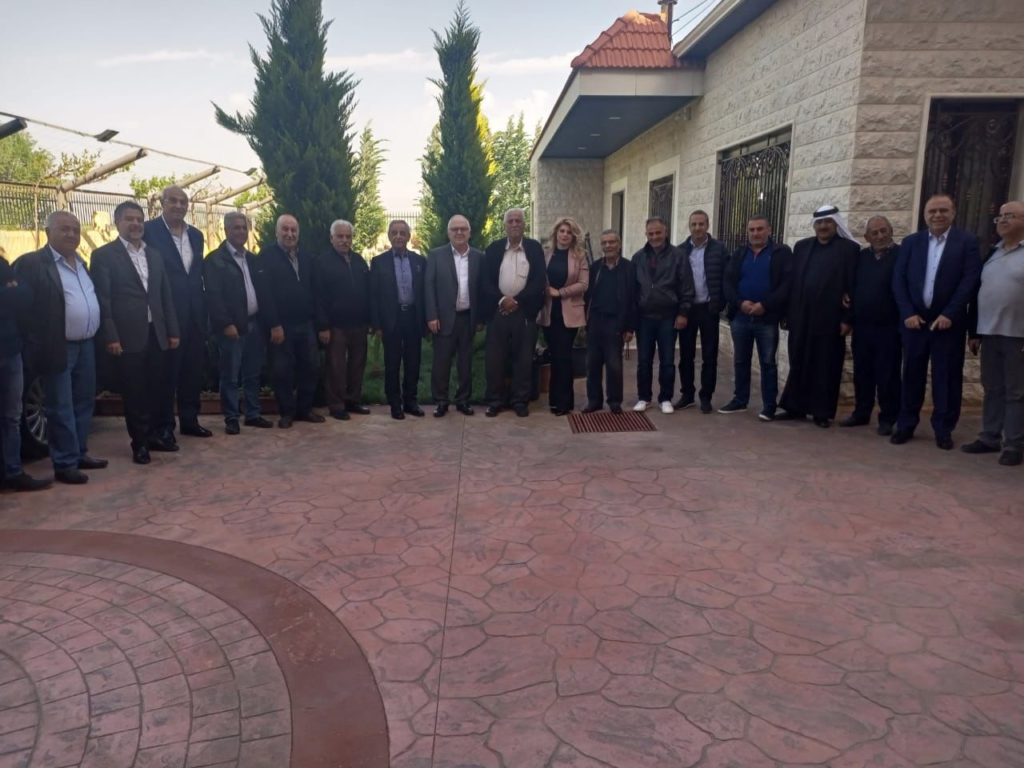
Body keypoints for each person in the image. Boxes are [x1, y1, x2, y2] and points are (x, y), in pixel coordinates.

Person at [14, 211, 106, 484]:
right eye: (64, 229)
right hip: (56, 345)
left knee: (83, 402)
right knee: (60, 406)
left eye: (75, 230)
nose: (72, 235)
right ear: (48, 232)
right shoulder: (32, 264)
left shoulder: (81, 263)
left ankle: (79, 453)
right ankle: (65, 463)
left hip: (86, 344)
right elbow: (21, 307)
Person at [91, 201, 180, 464]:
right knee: (135, 391)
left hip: (156, 333)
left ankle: (154, 436)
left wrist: (172, 330)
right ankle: (139, 443)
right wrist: (111, 336)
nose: (136, 224)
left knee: (156, 388)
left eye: (139, 220)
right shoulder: (104, 256)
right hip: (127, 336)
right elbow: (104, 300)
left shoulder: (154, 254)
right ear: (117, 222)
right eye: (129, 219)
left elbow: (165, 295)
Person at [891, 194, 981, 450]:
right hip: (915, 323)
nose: (938, 215)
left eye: (943, 210)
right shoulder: (911, 242)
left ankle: (943, 429)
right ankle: (906, 424)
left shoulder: (967, 242)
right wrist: (907, 313)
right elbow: (898, 280)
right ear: (924, 214)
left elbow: (970, 281)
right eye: (932, 211)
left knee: (947, 377)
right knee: (911, 375)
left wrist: (950, 313)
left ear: (953, 213)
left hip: (948, 324)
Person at [777, 205, 859, 427]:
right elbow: (793, 283)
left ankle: (821, 412)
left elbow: (853, 287)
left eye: (828, 222)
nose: (823, 226)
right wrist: (787, 314)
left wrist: (847, 318)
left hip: (830, 319)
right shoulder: (802, 247)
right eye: (819, 223)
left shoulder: (849, 249)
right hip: (801, 316)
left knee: (826, 365)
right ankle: (795, 408)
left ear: (835, 224)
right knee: (799, 361)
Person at [144, 185, 210, 441]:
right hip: (166, 315)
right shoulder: (149, 231)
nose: (179, 206)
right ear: (162, 203)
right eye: (173, 201)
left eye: (183, 202)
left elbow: (194, 274)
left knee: (192, 372)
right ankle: (164, 427)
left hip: (194, 315)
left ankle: (190, 420)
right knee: (166, 374)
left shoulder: (196, 235)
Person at [963, 200, 1024, 467]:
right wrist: (974, 331)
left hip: (1017, 335)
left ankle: (1014, 444)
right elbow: (979, 293)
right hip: (989, 332)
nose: (1003, 220)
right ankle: (990, 437)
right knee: (992, 388)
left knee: (1016, 392)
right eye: (1000, 216)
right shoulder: (992, 253)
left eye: (1010, 215)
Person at [204, 212, 274, 435]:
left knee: (253, 374)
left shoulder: (253, 259)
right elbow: (214, 296)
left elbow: (263, 292)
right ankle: (231, 417)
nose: (241, 231)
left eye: (244, 227)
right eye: (236, 227)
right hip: (231, 328)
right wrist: (225, 323)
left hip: (254, 325)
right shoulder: (215, 260)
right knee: (230, 375)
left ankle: (252, 414)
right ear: (226, 230)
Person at [719, 215, 793, 419]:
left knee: (767, 363)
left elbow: (786, 285)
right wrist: (740, 303)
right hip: (741, 317)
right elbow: (728, 282)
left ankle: (769, 405)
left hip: (766, 318)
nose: (756, 233)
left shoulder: (780, 253)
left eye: (760, 229)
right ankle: (740, 400)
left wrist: (765, 305)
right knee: (740, 361)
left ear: (769, 230)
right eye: (752, 230)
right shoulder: (739, 253)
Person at [259, 214, 324, 429]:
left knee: (311, 367)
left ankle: (304, 409)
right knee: (282, 371)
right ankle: (287, 412)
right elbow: (265, 294)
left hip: (306, 324)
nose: (289, 234)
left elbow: (316, 291)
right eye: (285, 229)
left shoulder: (307, 257)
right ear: (277, 232)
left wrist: (318, 322)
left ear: (298, 233)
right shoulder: (267, 256)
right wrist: (274, 324)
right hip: (281, 326)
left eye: (293, 230)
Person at [480, 209, 546, 418]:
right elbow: (485, 281)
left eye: (518, 220)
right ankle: (495, 401)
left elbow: (539, 280)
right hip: (498, 311)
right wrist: (502, 300)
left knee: (523, 359)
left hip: (524, 312)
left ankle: (520, 401)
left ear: (524, 224)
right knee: (495, 359)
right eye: (511, 221)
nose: (515, 224)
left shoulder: (534, 248)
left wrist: (517, 301)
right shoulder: (493, 249)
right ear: (505, 225)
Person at [840, 216, 902, 435]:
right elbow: (852, 286)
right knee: (862, 373)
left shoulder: (901, 255)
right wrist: (847, 307)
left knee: (887, 375)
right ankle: (861, 412)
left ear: (891, 231)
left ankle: (888, 417)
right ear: (867, 237)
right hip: (863, 326)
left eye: (883, 231)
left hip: (890, 327)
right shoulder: (862, 257)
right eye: (874, 233)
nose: (880, 236)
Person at [632, 216, 695, 414]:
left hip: (668, 317)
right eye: (650, 233)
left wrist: (683, 312)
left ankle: (665, 398)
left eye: (658, 233)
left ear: (665, 232)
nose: (654, 237)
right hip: (644, 318)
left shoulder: (678, 256)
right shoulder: (638, 257)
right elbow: (633, 289)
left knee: (667, 361)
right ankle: (644, 397)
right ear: (646, 234)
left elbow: (686, 286)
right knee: (644, 361)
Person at [313, 219, 372, 421]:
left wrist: (370, 320)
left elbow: (367, 292)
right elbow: (318, 297)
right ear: (331, 238)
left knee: (357, 365)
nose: (344, 240)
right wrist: (323, 326)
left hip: (359, 324)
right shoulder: (322, 262)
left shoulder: (359, 261)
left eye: (348, 236)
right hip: (335, 326)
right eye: (340, 236)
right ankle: (337, 405)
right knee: (336, 367)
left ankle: (353, 400)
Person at [0, 254, 50, 491]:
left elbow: (25, 296)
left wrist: (10, 295)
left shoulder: (1, 264)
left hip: (11, 351)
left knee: (12, 416)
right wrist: (9, 293)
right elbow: (14, 297)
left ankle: (13, 472)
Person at [425, 214, 482, 417]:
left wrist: (480, 318)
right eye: (454, 229)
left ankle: (463, 400)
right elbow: (429, 286)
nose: (459, 232)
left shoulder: (479, 257)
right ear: (448, 233)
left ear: (469, 232)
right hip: (443, 319)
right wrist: (431, 315)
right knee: (441, 363)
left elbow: (481, 289)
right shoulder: (436, 255)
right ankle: (441, 401)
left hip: (468, 318)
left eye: (463, 229)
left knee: (465, 363)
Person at [370, 220, 427, 420]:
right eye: (394, 233)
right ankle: (395, 403)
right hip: (391, 319)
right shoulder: (379, 262)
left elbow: (424, 293)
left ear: (409, 236)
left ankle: (410, 401)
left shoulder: (420, 261)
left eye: (403, 233)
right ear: (389, 236)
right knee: (392, 363)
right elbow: (373, 296)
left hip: (412, 317)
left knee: (413, 362)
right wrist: (377, 324)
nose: (398, 236)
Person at [675, 210, 726, 413]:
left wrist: (720, 303)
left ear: (707, 225)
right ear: (689, 226)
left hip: (709, 309)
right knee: (686, 356)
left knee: (709, 356)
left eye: (701, 224)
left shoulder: (719, 249)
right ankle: (687, 394)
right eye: (694, 224)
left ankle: (706, 396)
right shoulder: (680, 251)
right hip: (687, 309)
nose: (697, 228)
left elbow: (726, 278)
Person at [538, 217, 589, 416]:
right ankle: (554, 400)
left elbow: (584, 284)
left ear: (573, 236)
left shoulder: (580, 256)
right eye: (562, 231)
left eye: (569, 232)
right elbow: (539, 278)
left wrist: (560, 292)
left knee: (564, 357)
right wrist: (545, 290)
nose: (565, 235)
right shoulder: (545, 254)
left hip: (569, 314)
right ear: (556, 233)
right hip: (549, 313)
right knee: (554, 356)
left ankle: (564, 403)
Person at [582, 229, 635, 414]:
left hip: (616, 322)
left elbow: (633, 299)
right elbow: (587, 296)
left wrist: (630, 327)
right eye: (604, 243)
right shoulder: (595, 268)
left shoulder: (629, 268)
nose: (608, 246)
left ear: (619, 244)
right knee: (592, 364)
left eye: (612, 242)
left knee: (614, 364)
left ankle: (614, 401)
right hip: (595, 321)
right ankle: (594, 401)